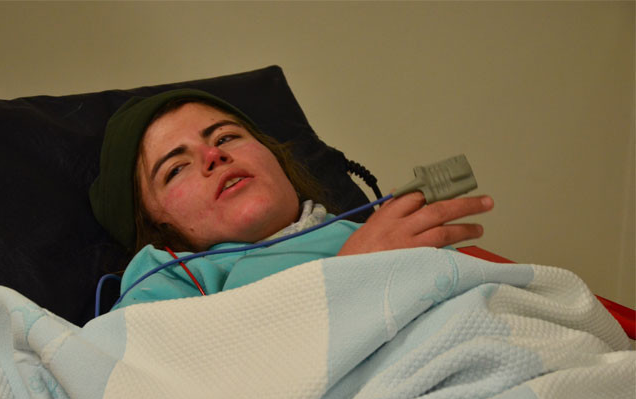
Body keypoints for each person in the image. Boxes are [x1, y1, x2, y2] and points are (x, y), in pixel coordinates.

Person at [89, 89, 493, 310]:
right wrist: (351, 273)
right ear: (155, 220)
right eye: (176, 168)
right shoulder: (167, 277)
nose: (213, 155)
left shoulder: (380, 234)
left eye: (226, 137)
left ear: (275, 158)